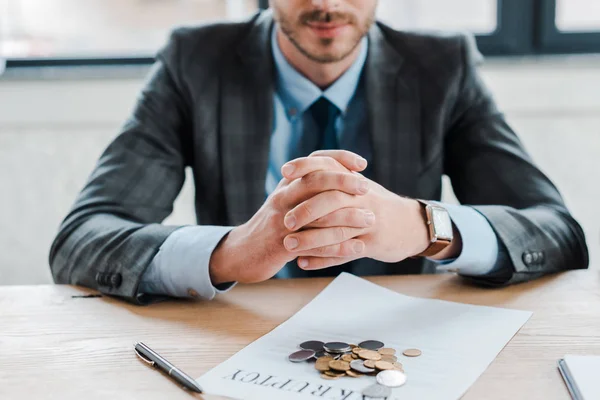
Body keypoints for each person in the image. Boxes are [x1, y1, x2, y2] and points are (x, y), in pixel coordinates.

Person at [49, 0, 588, 304]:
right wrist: (229, 252)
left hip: (401, 351)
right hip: (231, 340)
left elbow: (556, 233)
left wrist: (427, 227)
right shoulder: (194, 61)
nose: (327, 5)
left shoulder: (443, 66)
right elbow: (81, 240)